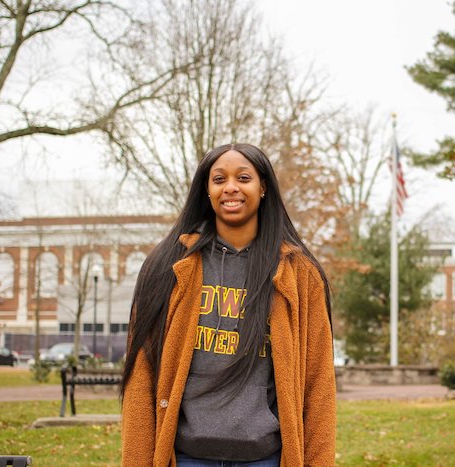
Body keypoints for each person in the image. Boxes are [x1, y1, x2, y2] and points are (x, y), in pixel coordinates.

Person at [120, 143, 336, 466]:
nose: (231, 187)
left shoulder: (299, 275)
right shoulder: (168, 267)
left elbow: (319, 386)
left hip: (266, 458)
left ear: (263, 187)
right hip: (187, 457)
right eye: (219, 179)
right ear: (206, 190)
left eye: (243, 177)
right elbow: (141, 377)